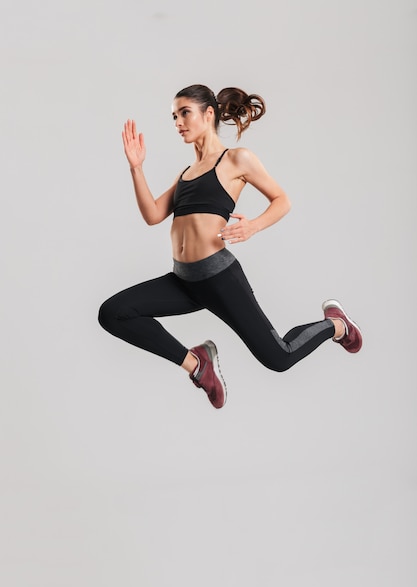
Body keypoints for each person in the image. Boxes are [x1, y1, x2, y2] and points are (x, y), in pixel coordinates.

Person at [98, 84, 362, 409]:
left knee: (279, 357)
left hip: (220, 280)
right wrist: (136, 168)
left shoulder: (235, 159)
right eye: (174, 117)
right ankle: (198, 365)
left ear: (208, 114)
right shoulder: (185, 174)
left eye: (184, 113)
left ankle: (336, 324)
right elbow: (153, 214)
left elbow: (282, 200)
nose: (178, 122)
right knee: (113, 314)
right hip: (183, 281)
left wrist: (253, 226)